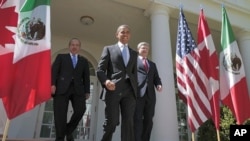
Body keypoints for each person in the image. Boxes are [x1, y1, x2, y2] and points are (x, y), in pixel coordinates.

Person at [96, 24, 138, 141]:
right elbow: (100, 70)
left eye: (127, 32)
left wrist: (136, 90)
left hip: (129, 91)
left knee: (128, 122)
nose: (125, 34)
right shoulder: (109, 49)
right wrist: (106, 81)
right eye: (122, 32)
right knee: (112, 122)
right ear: (117, 34)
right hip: (113, 89)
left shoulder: (134, 53)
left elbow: (134, 74)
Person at [51, 38, 90, 141]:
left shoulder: (84, 61)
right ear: (69, 46)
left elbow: (86, 77)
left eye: (77, 45)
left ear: (79, 48)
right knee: (60, 114)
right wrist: (52, 84)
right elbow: (54, 71)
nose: (74, 46)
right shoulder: (61, 57)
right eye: (72, 44)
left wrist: (87, 91)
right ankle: (60, 137)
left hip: (78, 89)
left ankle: (68, 130)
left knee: (81, 109)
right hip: (61, 88)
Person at [134, 42, 162, 141]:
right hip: (138, 94)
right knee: (137, 119)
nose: (145, 49)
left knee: (149, 121)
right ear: (138, 49)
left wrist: (158, 84)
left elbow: (156, 77)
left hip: (150, 96)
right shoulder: (133, 62)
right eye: (143, 47)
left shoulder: (152, 64)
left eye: (147, 47)